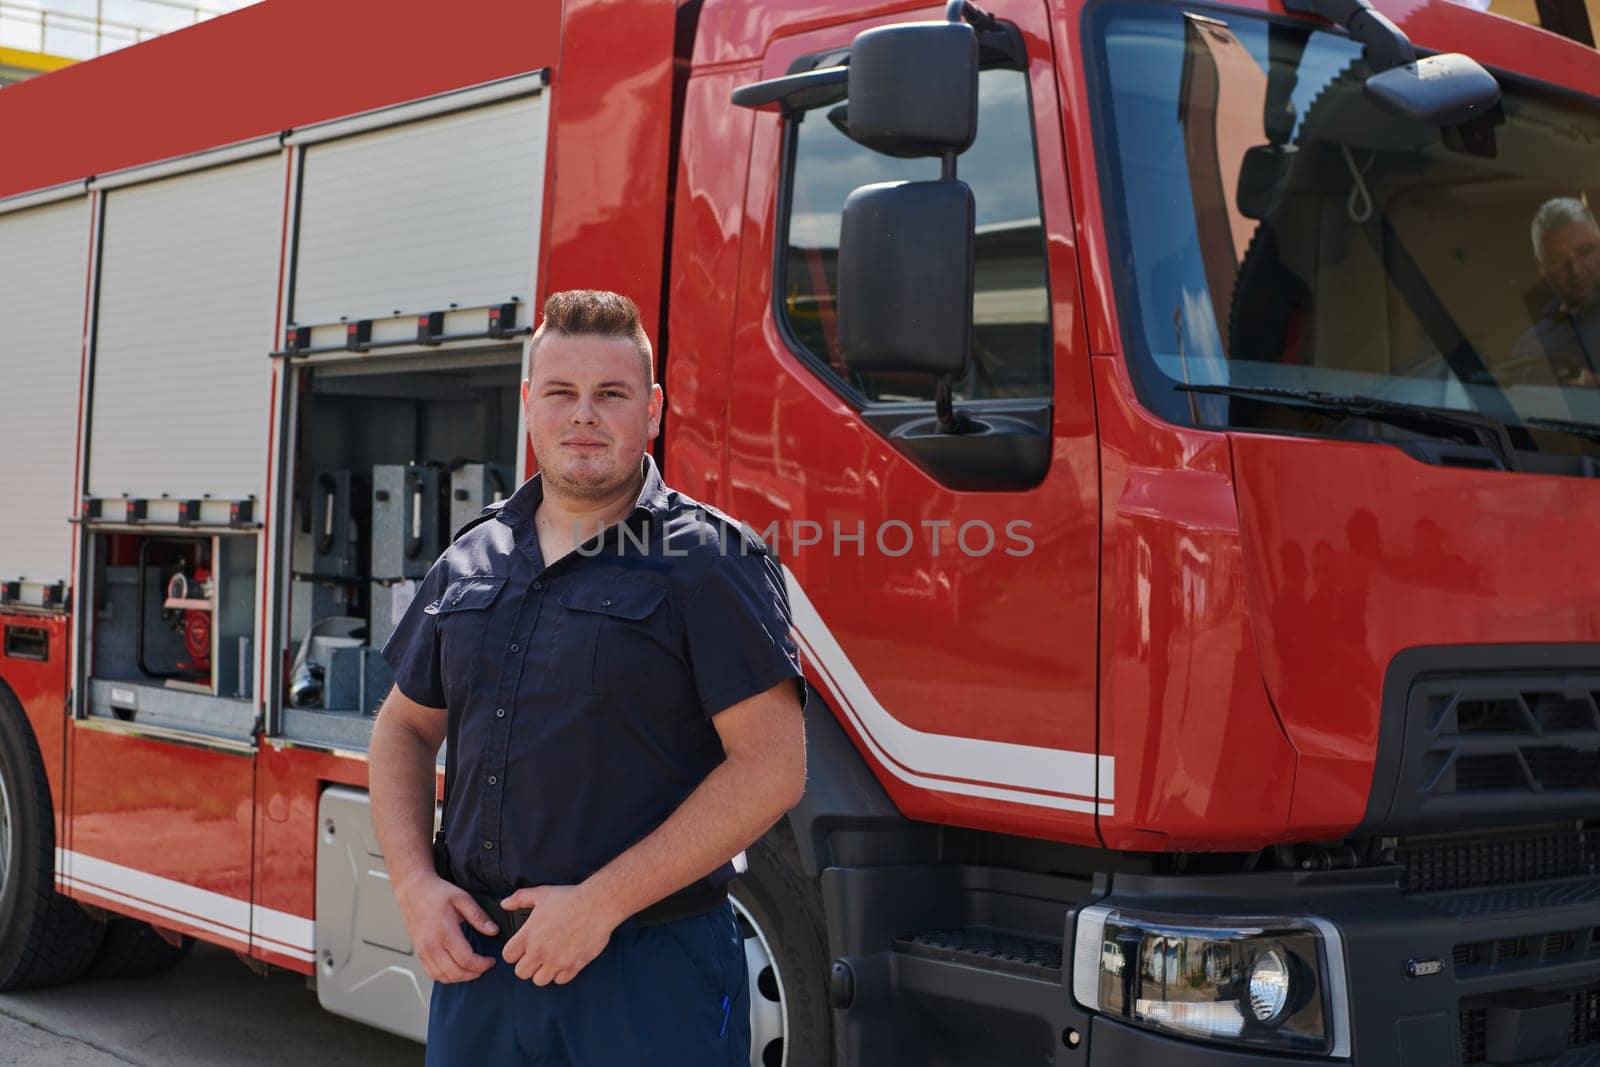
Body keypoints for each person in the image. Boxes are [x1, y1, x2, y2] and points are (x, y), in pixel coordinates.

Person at [369, 289, 808, 1066]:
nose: (585, 415)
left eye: (611, 394)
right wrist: (413, 883)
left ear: (655, 409)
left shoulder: (709, 561)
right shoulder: (470, 558)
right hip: (483, 971)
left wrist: (600, 904)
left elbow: (772, 766)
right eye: (563, 394)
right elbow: (404, 727)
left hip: (647, 973)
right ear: (530, 403)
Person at [1507, 196, 1600, 387]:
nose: (1575, 270)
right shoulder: (1529, 347)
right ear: (1541, 267)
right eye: (1558, 259)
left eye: (1585, 251)